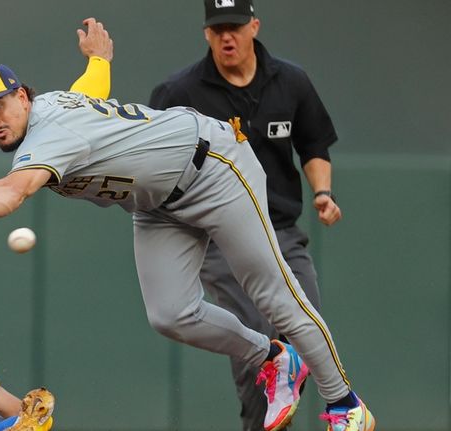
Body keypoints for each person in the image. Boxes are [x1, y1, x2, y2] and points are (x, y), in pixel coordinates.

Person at [0, 15, 376, 431]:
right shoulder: (55, 109)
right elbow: (93, 87)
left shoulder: (50, 134)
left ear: (22, 96)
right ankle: (271, 358)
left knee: (273, 293)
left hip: (213, 168)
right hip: (156, 206)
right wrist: (98, 59)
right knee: (170, 313)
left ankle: (344, 403)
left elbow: (13, 191)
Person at [147, 1, 347, 430]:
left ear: (254, 25)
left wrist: (323, 192)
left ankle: (342, 409)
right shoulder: (179, 92)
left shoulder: (290, 81)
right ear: (206, 33)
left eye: (235, 26)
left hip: (280, 229)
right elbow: (155, 159)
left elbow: (314, 144)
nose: (227, 37)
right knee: (260, 337)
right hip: (219, 236)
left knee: (306, 322)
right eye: (217, 28)